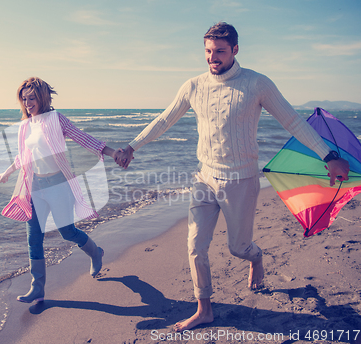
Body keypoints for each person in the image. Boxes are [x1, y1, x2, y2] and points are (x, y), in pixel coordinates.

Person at [115, 22, 350, 331]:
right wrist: (133, 146)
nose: (213, 58)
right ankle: (205, 309)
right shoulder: (193, 86)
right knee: (195, 245)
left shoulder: (257, 84)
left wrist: (329, 156)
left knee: (238, 248)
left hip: (241, 181)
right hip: (204, 178)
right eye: (208, 52)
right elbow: (164, 120)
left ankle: (255, 258)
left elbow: (293, 121)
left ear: (235, 50)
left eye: (220, 52)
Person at [0, 77, 118, 303]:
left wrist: (110, 152)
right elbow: (23, 156)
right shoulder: (25, 126)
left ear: (42, 97)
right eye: (24, 99)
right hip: (34, 187)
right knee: (34, 238)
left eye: (32, 98)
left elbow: (81, 137)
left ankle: (96, 252)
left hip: (58, 185)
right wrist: (8, 172)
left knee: (67, 232)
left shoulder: (56, 119)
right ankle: (38, 287)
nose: (28, 103)